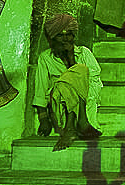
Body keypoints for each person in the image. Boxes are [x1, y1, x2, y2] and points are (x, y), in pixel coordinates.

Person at [33, 14, 103, 152]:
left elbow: (94, 82)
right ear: (52, 38)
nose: (65, 39)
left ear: (73, 36)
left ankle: (71, 128)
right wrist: (43, 119)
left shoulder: (84, 53)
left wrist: (71, 58)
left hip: (86, 101)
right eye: (60, 35)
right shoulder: (46, 58)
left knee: (80, 70)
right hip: (60, 104)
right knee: (64, 84)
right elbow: (41, 89)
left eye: (69, 35)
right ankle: (79, 124)